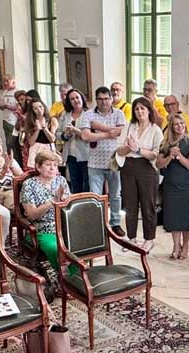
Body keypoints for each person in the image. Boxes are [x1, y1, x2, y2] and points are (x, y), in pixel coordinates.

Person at [116, 96, 164, 250]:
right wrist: (130, 148)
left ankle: (149, 238)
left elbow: (156, 154)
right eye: (136, 109)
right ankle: (131, 237)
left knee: (147, 205)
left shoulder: (156, 130)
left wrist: (138, 149)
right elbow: (119, 149)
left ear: (149, 110)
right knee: (130, 204)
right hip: (128, 167)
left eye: (143, 108)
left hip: (147, 168)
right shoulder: (129, 127)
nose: (139, 111)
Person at [80, 86, 127, 237]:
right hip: (95, 162)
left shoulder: (119, 114)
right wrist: (108, 133)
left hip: (115, 161)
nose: (104, 102)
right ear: (96, 99)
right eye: (100, 99)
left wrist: (97, 128)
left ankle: (115, 223)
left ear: (111, 99)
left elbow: (121, 133)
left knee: (115, 195)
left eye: (106, 98)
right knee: (95, 196)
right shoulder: (88, 114)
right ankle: (97, 224)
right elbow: (86, 136)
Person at [19, 150, 70, 274]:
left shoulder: (61, 180)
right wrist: (53, 200)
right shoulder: (29, 185)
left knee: (81, 243)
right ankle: (69, 279)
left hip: (64, 227)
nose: (53, 168)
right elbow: (31, 215)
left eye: (55, 165)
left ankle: (81, 276)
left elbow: (70, 205)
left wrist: (66, 201)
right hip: (41, 229)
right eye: (48, 164)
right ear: (38, 166)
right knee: (55, 248)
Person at [157, 113, 189, 260]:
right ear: (172, 127)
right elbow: (158, 164)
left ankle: (185, 246)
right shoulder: (164, 144)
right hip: (170, 184)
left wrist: (179, 156)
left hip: (186, 184)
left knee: (185, 217)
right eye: (177, 124)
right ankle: (175, 245)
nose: (180, 126)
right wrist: (170, 157)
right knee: (173, 217)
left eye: (182, 124)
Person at [59, 88, 90, 193]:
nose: (76, 100)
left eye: (77, 97)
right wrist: (65, 135)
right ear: (69, 102)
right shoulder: (65, 115)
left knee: (87, 185)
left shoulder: (89, 114)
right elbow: (58, 133)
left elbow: (91, 136)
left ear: (82, 98)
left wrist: (76, 131)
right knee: (74, 185)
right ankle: (76, 208)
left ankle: (87, 208)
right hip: (71, 156)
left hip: (86, 156)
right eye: (72, 99)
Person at [21, 98, 58, 169]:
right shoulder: (30, 122)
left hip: (48, 148)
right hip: (35, 148)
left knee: (49, 170)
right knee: (35, 171)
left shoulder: (52, 120)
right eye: (35, 108)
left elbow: (52, 139)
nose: (39, 110)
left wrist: (45, 128)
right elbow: (31, 142)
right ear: (33, 111)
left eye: (40, 106)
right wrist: (37, 130)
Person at [0, 73, 21, 153]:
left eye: (7, 81)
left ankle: (15, 162)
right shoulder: (5, 92)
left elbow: (18, 108)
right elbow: (3, 108)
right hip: (5, 120)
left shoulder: (17, 93)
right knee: (8, 144)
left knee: (12, 144)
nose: (5, 83)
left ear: (13, 81)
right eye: (4, 81)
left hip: (13, 122)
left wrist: (5, 105)